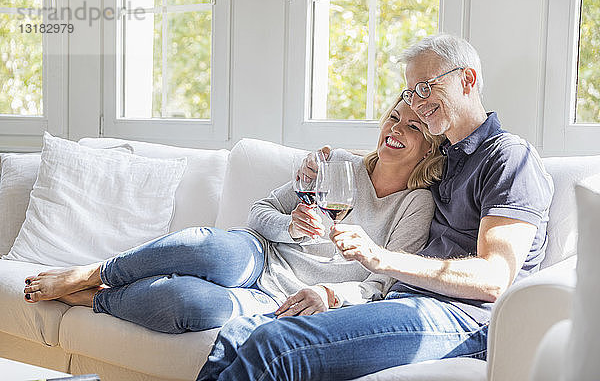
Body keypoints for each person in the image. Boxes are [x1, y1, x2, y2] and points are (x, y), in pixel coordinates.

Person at [195, 33, 554, 381]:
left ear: (467, 80)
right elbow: (387, 157)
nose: (417, 102)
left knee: (275, 345)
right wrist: (323, 167)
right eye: (411, 93)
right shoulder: (446, 156)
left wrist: (378, 256)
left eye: (426, 88)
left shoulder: (509, 158)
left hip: (464, 318)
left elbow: (494, 279)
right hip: (402, 299)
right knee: (241, 334)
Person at [22, 101, 445, 335]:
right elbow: (259, 212)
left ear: (428, 148)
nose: (396, 128)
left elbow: (384, 281)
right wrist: (290, 228)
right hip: (258, 253)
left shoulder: (416, 204)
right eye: (394, 116)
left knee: (191, 304)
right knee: (209, 250)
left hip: (279, 299)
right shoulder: (338, 165)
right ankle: (94, 271)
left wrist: (331, 296)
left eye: (413, 127)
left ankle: (97, 298)